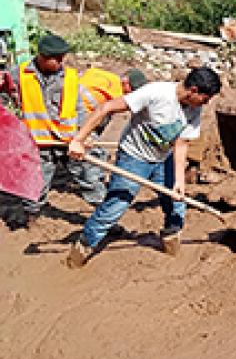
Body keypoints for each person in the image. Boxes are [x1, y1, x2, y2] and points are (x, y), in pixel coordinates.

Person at [66, 67, 222, 268]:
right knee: (115, 207)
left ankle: (172, 249)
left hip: (163, 159)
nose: (206, 103)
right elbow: (106, 108)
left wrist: (179, 182)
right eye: (205, 98)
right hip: (133, 158)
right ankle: (80, 251)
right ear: (193, 90)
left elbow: (181, 144)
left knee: (176, 205)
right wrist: (79, 140)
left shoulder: (194, 108)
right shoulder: (155, 93)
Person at [0, 34, 99, 229]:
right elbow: (4, 99)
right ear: (43, 57)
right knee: (37, 183)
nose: (62, 62)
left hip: (70, 142)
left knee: (90, 178)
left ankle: (105, 217)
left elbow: (80, 110)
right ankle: (30, 217)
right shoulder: (19, 75)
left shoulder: (70, 77)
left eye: (63, 57)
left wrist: (85, 136)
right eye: (57, 58)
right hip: (39, 144)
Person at [77, 67, 148, 209]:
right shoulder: (118, 93)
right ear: (126, 83)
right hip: (77, 112)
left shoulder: (106, 76)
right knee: (93, 155)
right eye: (132, 90)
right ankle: (97, 191)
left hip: (72, 103)